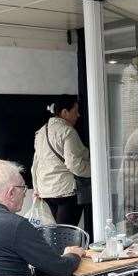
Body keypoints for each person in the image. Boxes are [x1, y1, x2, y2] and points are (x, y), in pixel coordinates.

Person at [32, 94, 90, 226]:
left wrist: (36, 188)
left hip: (46, 191)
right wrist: (97, 171)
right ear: (65, 112)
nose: (78, 116)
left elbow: (35, 164)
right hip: (65, 190)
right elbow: (74, 164)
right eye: (75, 111)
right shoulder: (67, 131)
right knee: (66, 233)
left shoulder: (41, 132)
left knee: (55, 232)